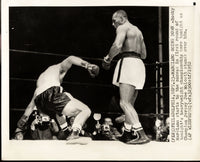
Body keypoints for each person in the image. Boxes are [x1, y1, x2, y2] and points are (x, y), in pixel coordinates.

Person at [15, 55, 99, 142]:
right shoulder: (56, 68)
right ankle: (74, 133)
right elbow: (70, 59)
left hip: (40, 100)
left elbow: (30, 107)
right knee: (85, 110)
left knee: (59, 108)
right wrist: (88, 65)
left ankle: (67, 132)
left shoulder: (41, 79)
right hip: (52, 93)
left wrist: (20, 125)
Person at [102, 10, 150, 144]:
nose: (113, 24)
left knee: (124, 102)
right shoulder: (138, 31)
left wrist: (107, 59)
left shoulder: (123, 27)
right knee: (130, 104)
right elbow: (144, 55)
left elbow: (117, 46)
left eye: (114, 20)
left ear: (122, 18)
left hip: (128, 63)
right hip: (140, 65)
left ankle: (141, 134)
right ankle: (127, 133)